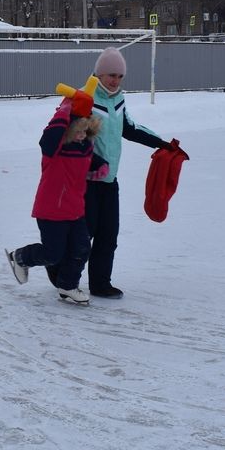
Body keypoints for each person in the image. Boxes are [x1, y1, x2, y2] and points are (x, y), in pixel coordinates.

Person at [82, 46, 179, 300]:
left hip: (110, 180)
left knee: (108, 234)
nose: (115, 80)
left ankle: (100, 283)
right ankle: (59, 273)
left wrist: (162, 143)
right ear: (99, 74)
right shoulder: (87, 98)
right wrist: (93, 162)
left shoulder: (118, 99)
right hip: (86, 182)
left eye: (120, 76)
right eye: (111, 75)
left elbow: (129, 128)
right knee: (83, 235)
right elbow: (76, 139)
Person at [6, 89, 106, 306]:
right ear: (68, 129)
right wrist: (64, 109)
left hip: (75, 210)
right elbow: (48, 138)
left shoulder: (84, 147)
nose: (81, 136)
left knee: (81, 249)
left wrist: (101, 165)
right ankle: (21, 257)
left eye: (85, 131)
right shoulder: (55, 149)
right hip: (51, 210)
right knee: (53, 254)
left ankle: (68, 286)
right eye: (77, 131)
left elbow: (91, 158)